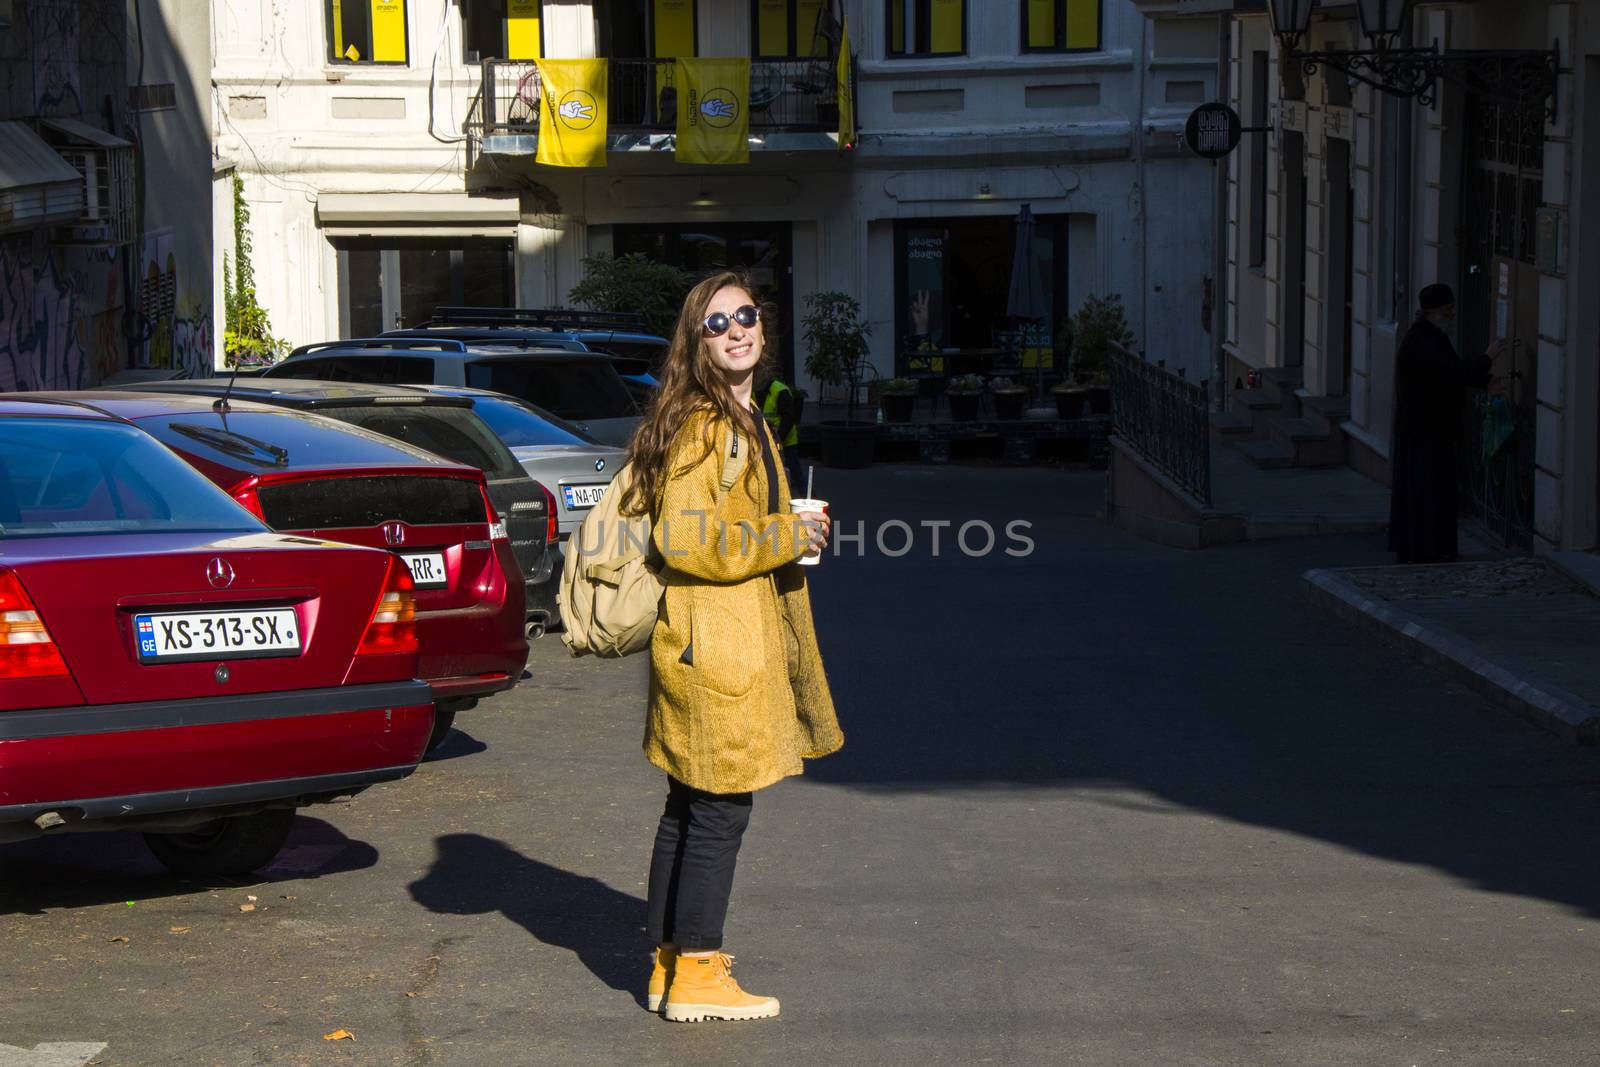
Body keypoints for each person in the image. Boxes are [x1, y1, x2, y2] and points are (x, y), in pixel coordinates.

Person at [618, 270, 844, 1024]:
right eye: (717, 323)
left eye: (745, 315)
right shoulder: (709, 426)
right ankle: (701, 972)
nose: (737, 329)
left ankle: (667, 963)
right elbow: (683, 537)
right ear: (696, 342)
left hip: (710, 639)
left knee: (691, 803)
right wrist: (787, 533)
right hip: (717, 645)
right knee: (719, 808)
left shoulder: (737, 417)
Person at [1388, 283, 1506, 564]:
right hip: (1425, 432)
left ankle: (1428, 546)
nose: (1452, 318)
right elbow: (1453, 373)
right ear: (1431, 313)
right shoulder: (1423, 342)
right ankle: (1427, 548)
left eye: (1452, 312)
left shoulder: (1429, 338)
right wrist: (1488, 358)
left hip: (1428, 430)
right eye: (1447, 312)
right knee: (1427, 492)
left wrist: (1482, 377)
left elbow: (1450, 372)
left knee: (1429, 491)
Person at [756, 368, 806, 492]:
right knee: (781, 472)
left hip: (785, 439)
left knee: (794, 471)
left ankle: (807, 499)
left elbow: (788, 418)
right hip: (771, 438)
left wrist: (778, 438)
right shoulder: (759, 391)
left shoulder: (779, 390)